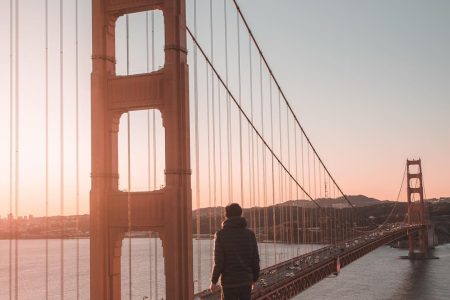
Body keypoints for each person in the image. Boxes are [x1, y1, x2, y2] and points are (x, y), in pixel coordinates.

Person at [210, 203, 260, 300]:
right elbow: (255, 259)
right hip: (246, 281)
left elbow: (219, 262)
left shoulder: (220, 235)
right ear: (241, 214)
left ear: (226, 216)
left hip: (229, 283)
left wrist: (213, 281)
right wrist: (255, 279)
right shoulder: (250, 234)